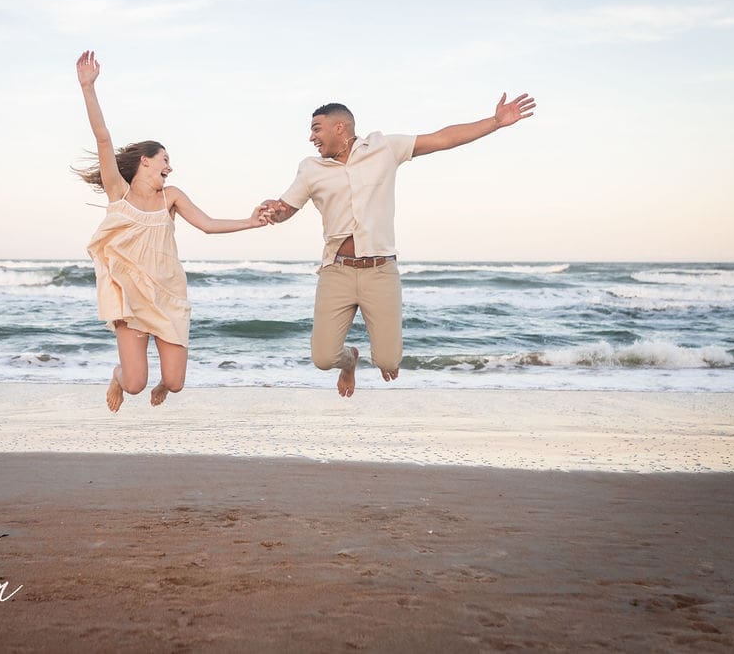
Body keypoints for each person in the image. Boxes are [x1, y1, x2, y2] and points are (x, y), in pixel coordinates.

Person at [262, 94, 536, 397]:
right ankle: (349, 360)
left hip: (380, 271)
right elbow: (288, 207)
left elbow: (442, 138)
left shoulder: (384, 148)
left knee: (388, 361)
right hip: (336, 271)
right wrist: (276, 211)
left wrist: (495, 123)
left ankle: (375, 358)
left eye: (316, 129)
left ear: (340, 128)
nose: (311, 137)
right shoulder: (310, 168)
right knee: (324, 358)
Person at [76, 50, 271, 412]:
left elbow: (208, 226)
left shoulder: (172, 197)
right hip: (130, 297)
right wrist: (88, 87)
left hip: (168, 294)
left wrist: (251, 221)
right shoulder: (119, 193)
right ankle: (118, 376)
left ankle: (165, 385)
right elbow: (103, 138)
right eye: (165, 159)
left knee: (176, 383)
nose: (170, 166)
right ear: (144, 162)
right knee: (135, 384)